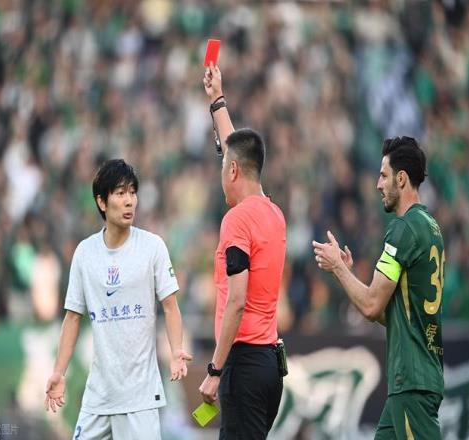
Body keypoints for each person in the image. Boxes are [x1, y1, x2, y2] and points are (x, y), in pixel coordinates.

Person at [44, 159, 192, 439]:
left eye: (132, 193)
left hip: (140, 397)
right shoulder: (85, 253)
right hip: (99, 396)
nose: (129, 201)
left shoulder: (152, 247)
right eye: (120, 193)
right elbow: (72, 318)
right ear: (102, 202)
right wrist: (59, 373)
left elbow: (171, 307)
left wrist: (175, 351)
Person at [313, 136, 444, 439]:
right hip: (416, 378)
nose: (378, 184)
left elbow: (372, 306)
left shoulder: (403, 229)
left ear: (401, 178)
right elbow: (393, 312)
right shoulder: (430, 227)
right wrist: (345, 272)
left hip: (412, 380)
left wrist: (337, 267)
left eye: (384, 175)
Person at [198, 63, 287, 439]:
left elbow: (237, 301)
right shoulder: (273, 213)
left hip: (243, 363)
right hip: (269, 366)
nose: (221, 172)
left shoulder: (236, 221)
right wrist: (217, 100)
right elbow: (235, 149)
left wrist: (215, 370)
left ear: (232, 171)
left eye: (223, 166)